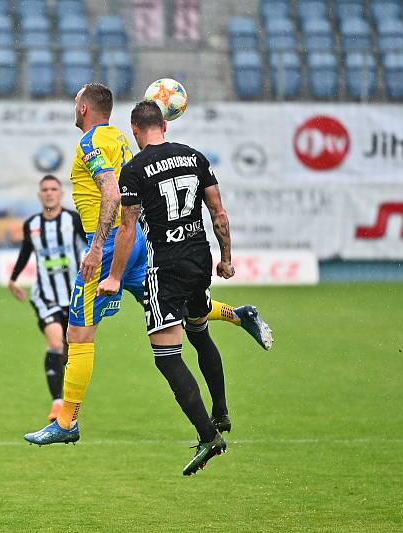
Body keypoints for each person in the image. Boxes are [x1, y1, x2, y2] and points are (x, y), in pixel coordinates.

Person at [24, 84, 271, 447]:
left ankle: (67, 421)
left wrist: (96, 250)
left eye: (76, 103)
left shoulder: (90, 144)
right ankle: (238, 314)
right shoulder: (121, 138)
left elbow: (111, 193)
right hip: (138, 242)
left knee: (78, 332)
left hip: (110, 246)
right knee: (171, 307)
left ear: (83, 110)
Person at [97, 101, 237, 475]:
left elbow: (128, 228)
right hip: (199, 260)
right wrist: (226, 258)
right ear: (165, 125)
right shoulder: (195, 158)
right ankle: (220, 409)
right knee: (199, 329)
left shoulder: (134, 170)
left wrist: (113, 276)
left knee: (167, 357)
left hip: (166, 267)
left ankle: (209, 436)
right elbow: (218, 213)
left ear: (135, 129)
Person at [8, 175, 85, 421]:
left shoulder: (73, 220)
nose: (49, 193)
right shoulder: (31, 224)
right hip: (46, 296)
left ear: (61, 194)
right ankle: (57, 403)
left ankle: (68, 397)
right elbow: (26, 251)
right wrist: (13, 278)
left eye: (54, 189)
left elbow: (93, 245)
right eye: (45, 190)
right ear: (40, 195)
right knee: (54, 342)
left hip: (74, 295)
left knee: (69, 350)